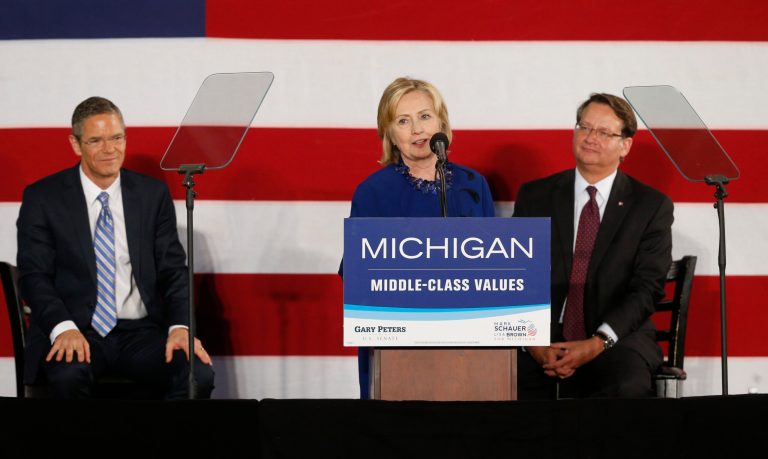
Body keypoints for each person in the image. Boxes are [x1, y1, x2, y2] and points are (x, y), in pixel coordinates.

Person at [16, 96, 215, 399]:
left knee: (196, 375)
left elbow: (174, 271)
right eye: (96, 140)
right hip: (77, 329)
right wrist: (63, 328)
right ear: (75, 144)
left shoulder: (151, 195)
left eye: (117, 138)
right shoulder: (44, 197)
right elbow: (34, 276)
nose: (110, 149)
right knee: (68, 375)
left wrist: (180, 328)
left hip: (141, 333)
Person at [513, 93, 673, 399]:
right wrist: (532, 343)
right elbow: (517, 276)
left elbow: (647, 288)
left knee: (625, 387)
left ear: (625, 145)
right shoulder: (535, 196)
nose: (590, 138)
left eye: (603, 132)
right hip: (542, 335)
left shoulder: (650, 207)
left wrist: (598, 342)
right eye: (584, 127)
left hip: (617, 336)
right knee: (492, 382)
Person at [346, 77, 495, 398]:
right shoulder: (373, 192)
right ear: (389, 133)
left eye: (425, 116)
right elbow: (356, 276)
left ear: (442, 122)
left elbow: (497, 266)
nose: (417, 129)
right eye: (403, 121)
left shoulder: (473, 185)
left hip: (469, 344)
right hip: (398, 347)